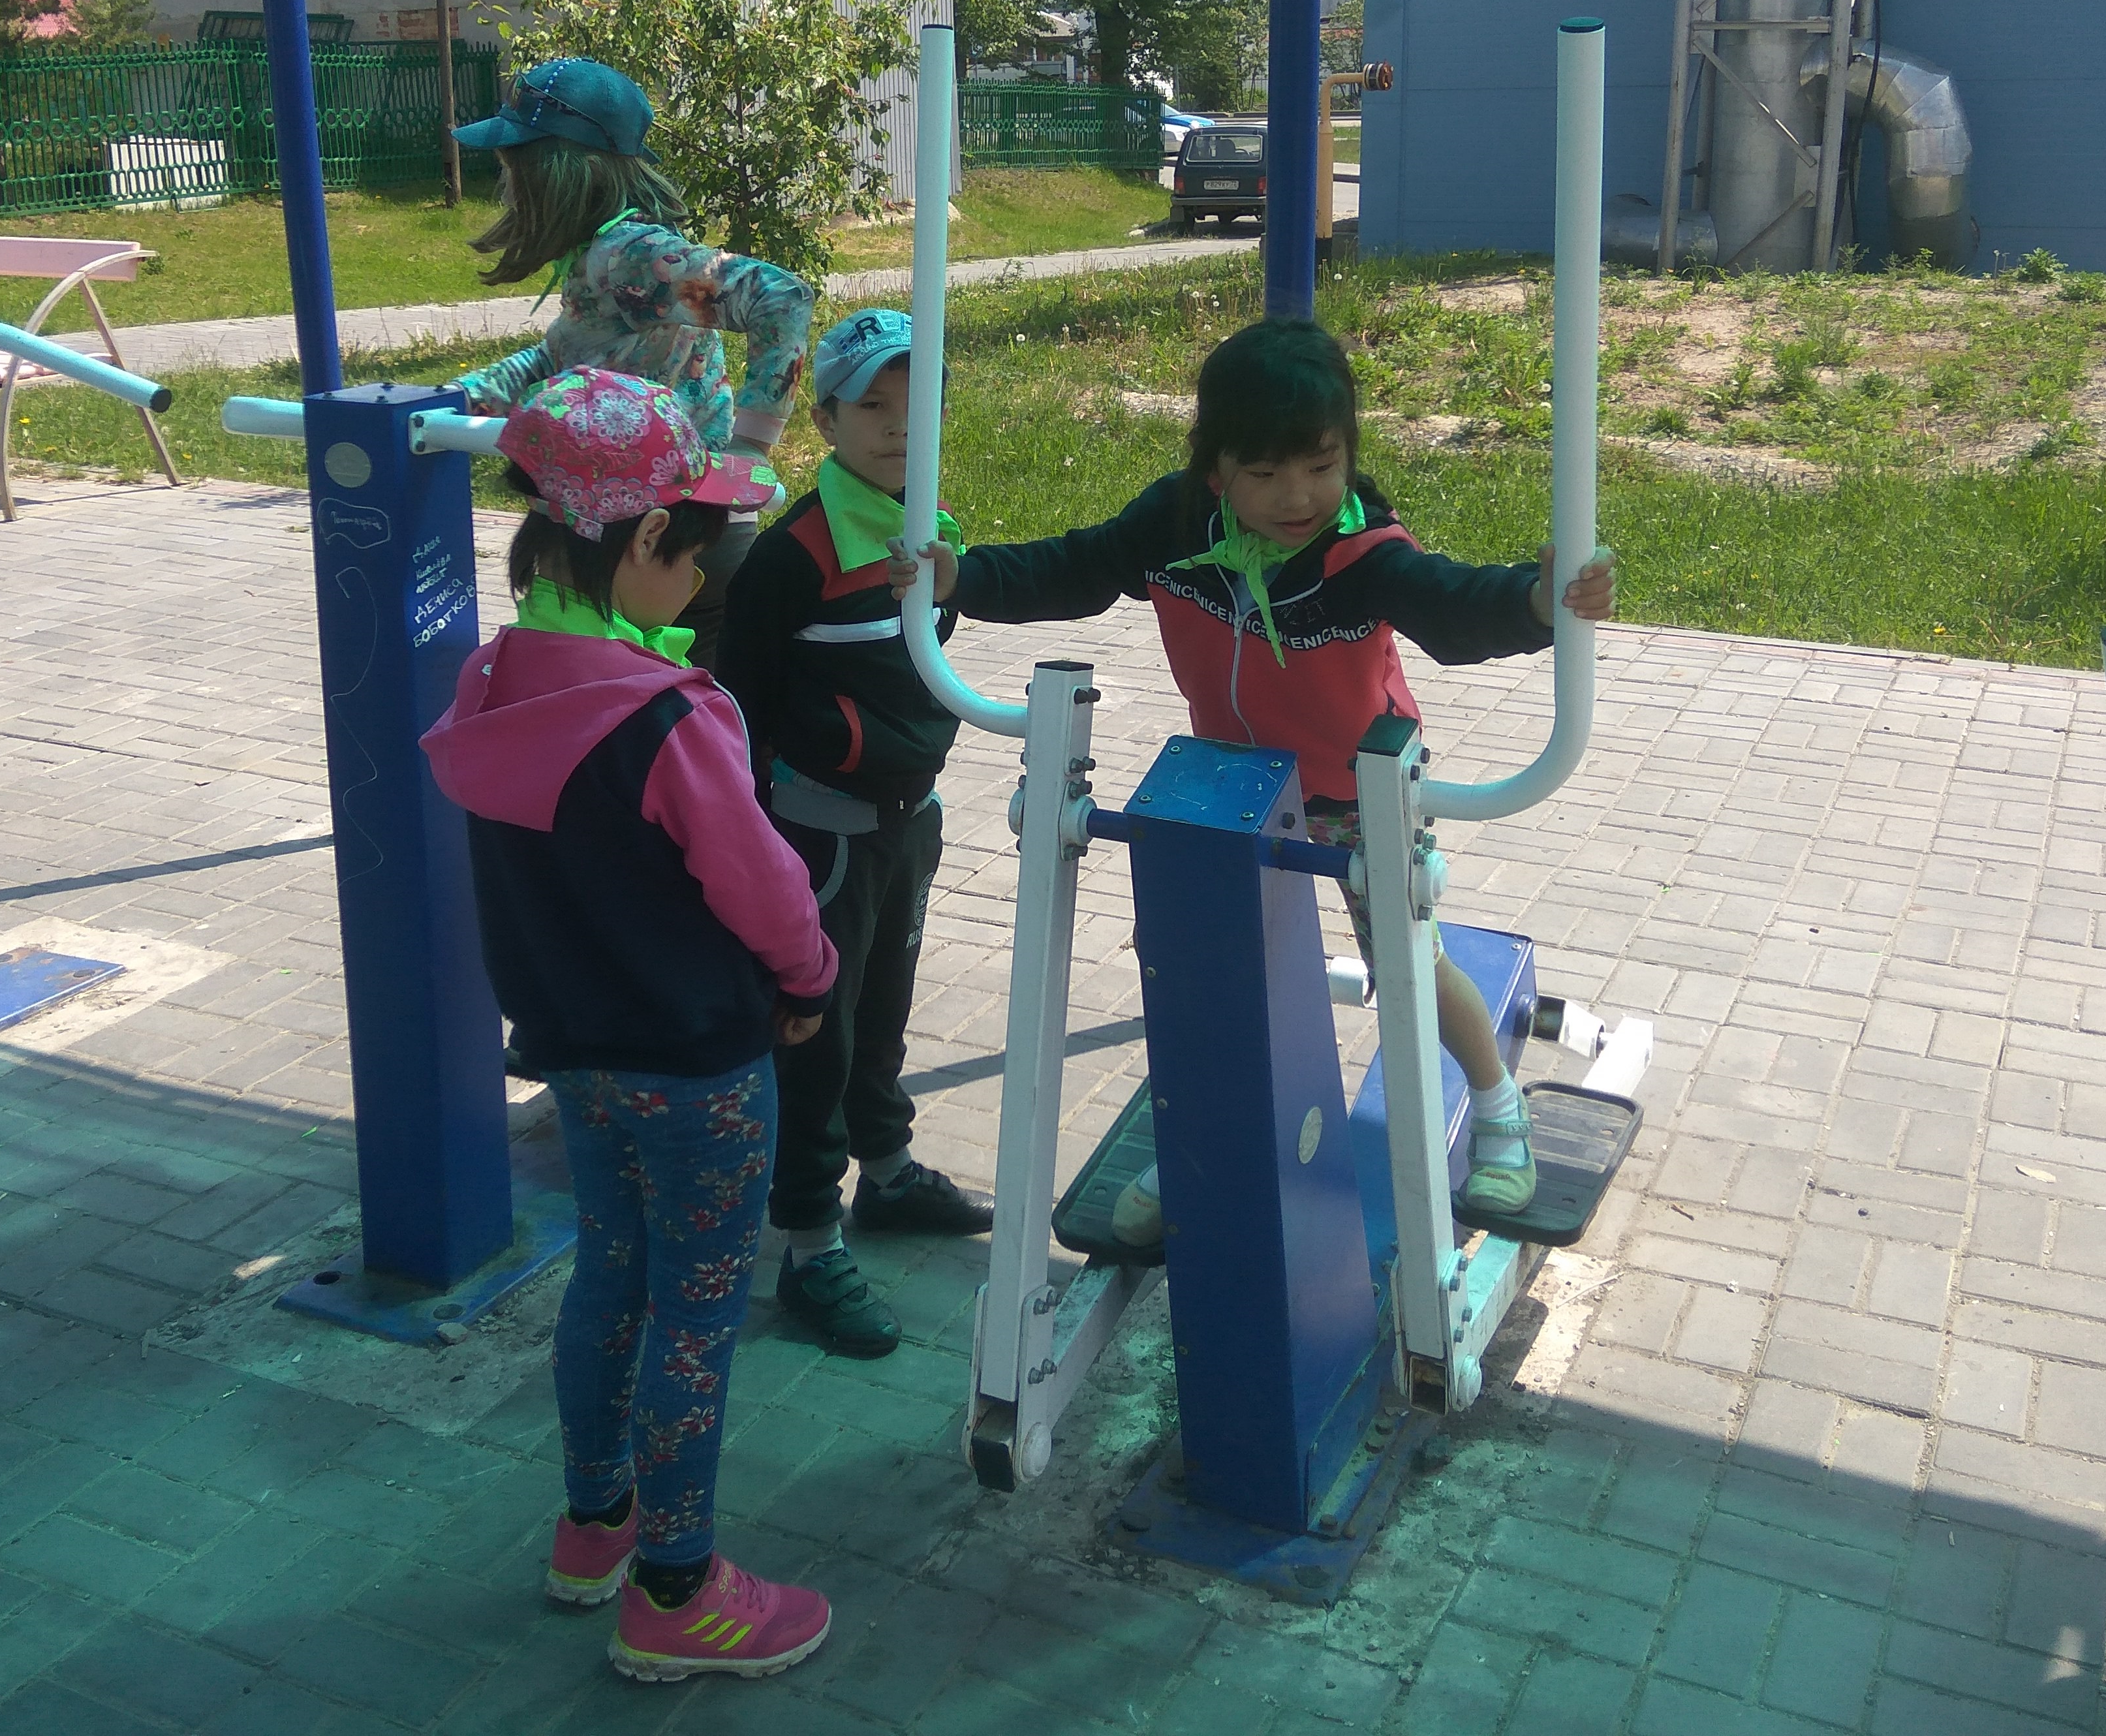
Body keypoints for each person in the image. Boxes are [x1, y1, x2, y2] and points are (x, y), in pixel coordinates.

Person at [913, 316, 1617, 1237]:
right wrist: (961, 579)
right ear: (1216, 469)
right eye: (1267, 473)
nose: (1299, 497)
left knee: (1406, 961)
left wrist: (1534, 602)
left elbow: (1448, 603)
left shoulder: (1360, 555)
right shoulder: (1173, 525)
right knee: (1203, 962)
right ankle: (1201, 1137)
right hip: (1236, 782)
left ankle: (1497, 1108)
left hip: (1359, 786)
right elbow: (1074, 567)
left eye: (1323, 466)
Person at [420, 365, 834, 1684]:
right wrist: (811, 978)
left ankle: (593, 1524)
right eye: (694, 548)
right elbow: (765, 888)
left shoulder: (494, 683)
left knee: (611, 1271)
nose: (702, 578)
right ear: (647, 535)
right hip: (698, 1064)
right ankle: (676, 1590)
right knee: (695, 1314)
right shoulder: (666, 717)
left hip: (574, 1052)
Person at [718, 309, 995, 1361]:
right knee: (816, 1041)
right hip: (820, 842)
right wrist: (757, 847)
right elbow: (740, 704)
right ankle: (807, 1241)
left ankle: (886, 1174)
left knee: (882, 1017)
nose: (896, 428)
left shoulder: (928, 530)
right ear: (826, 420)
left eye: (917, 407)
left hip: (906, 825)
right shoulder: (795, 555)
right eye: (871, 406)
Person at [449, 57, 814, 671]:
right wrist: (455, 399)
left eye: (515, 166)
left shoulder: (630, 255)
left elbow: (783, 296)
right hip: (634, 533)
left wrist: (752, 445)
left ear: (561, 170)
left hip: (666, 543)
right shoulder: (604, 256)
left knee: (663, 712)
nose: (507, 186)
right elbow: (560, 358)